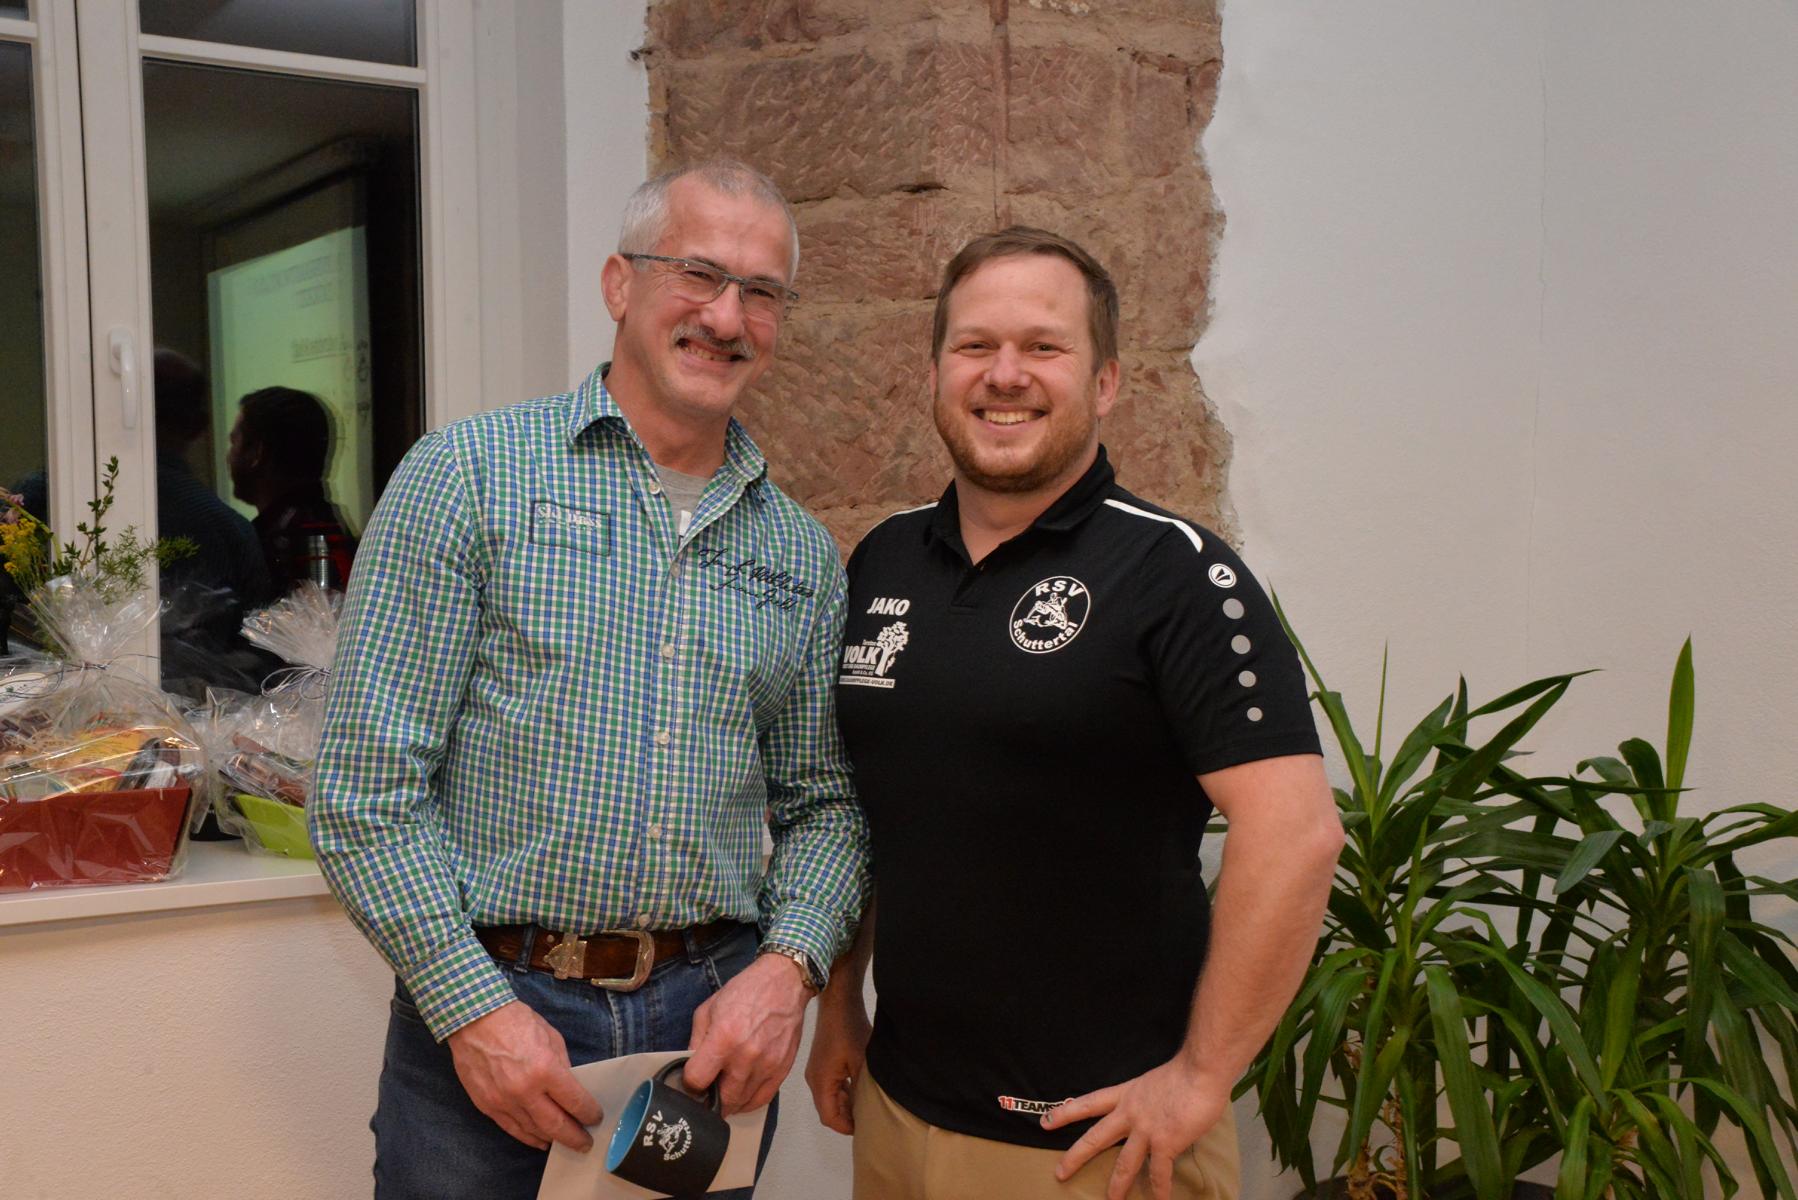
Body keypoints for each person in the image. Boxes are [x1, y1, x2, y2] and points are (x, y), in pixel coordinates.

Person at [311, 159, 870, 1200]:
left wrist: (785, 971)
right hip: (491, 1010)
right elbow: (364, 793)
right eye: (697, 273)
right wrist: (472, 1011)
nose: (726, 316)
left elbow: (827, 806)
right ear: (620, 284)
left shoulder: (797, 552)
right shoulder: (468, 477)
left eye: (761, 292)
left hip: (704, 1035)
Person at [805, 228, 1345, 1200]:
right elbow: (868, 806)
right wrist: (841, 1002)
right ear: (934, 373)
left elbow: (1297, 835)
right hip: (897, 1112)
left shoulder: (1179, 576)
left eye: (1043, 347)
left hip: (1087, 1148)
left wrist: (1199, 1081)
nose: (1004, 374)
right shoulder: (883, 560)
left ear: (1106, 383)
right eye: (975, 346)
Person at [225, 385, 357, 593]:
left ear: (257, 453)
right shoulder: (321, 525)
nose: (229, 457)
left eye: (234, 443)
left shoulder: (288, 541)